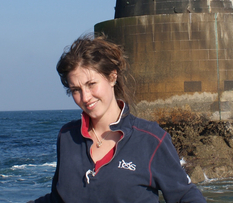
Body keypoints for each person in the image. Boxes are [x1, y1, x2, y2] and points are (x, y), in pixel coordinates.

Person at [29, 34, 206, 203]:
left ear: (112, 77)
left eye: (91, 85)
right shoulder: (67, 137)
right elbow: (58, 198)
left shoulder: (151, 139)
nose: (85, 97)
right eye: (76, 90)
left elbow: (185, 196)